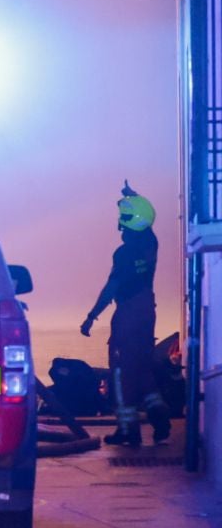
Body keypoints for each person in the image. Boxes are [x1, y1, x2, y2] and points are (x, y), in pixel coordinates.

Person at [80, 183, 169, 446]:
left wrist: (92, 315)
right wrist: (134, 197)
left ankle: (128, 429)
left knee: (120, 374)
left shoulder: (123, 254)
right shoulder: (151, 244)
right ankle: (159, 415)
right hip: (147, 311)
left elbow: (111, 288)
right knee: (142, 368)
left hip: (128, 314)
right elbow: (146, 218)